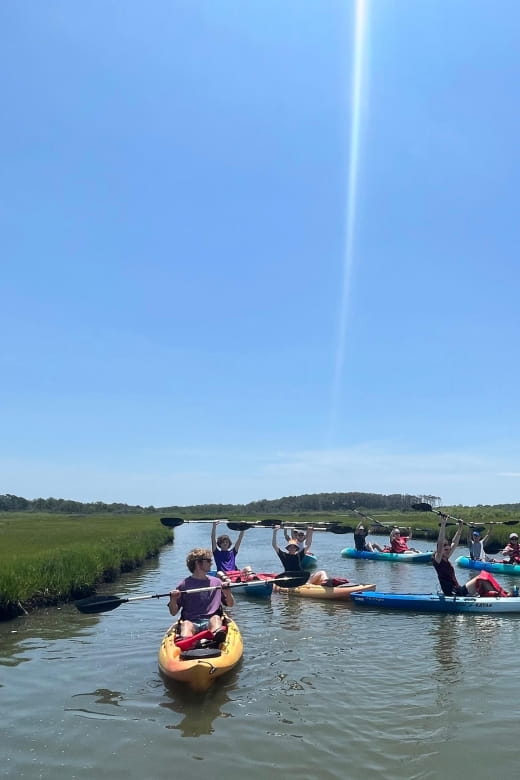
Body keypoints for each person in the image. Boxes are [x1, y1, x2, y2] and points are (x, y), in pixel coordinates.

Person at [433, 515, 508, 597]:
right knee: (481, 577)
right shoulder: (438, 560)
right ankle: (502, 596)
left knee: (485, 575)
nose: (448, 547)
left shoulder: (446, 557)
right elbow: (440, 545)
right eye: (445, 546)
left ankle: (502, 594)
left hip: (458, 590)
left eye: (447, 545)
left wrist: (460, 528)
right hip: (452, 593)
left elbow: (454, 543)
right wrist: (443, 525)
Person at [168, 547, 234, 638]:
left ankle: (217, 637)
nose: (211, 563)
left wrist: (227, 592)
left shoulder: (217, 582)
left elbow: (230, 604)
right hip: (191, 621)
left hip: (211, 620)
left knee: (215, 619)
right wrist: (173, 599)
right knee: (186, 625)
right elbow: (173, 612)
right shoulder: (183, 585)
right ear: (197, 563)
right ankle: (186, 641)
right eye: (208, 560)